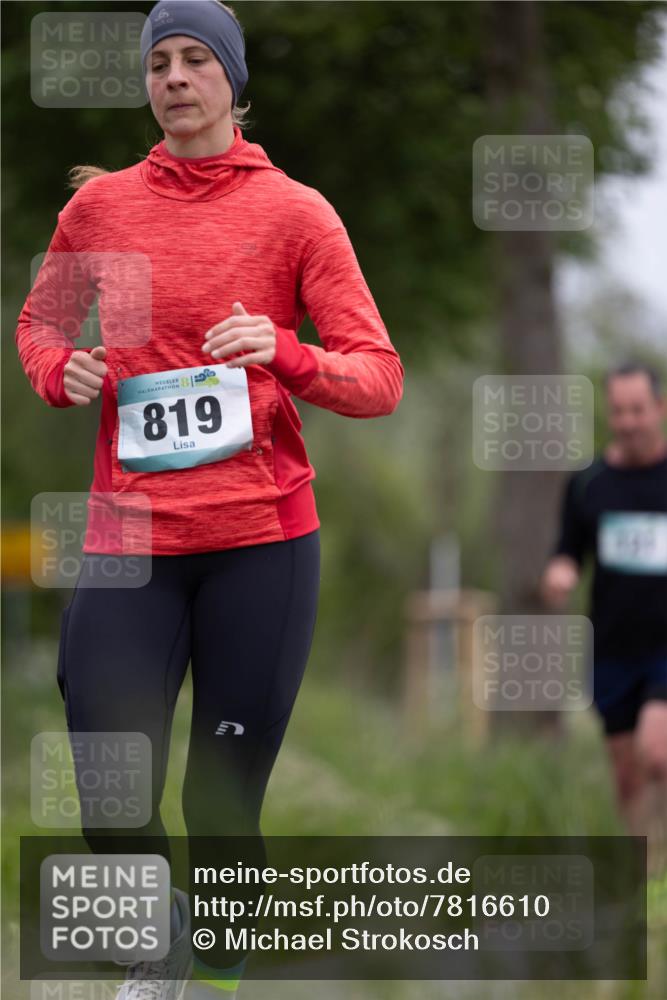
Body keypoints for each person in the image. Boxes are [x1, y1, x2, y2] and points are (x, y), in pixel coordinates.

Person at [15, 1, 404, 996]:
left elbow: (376, 375)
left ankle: (218, 967)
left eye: (196, 60)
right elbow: (39, 328)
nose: (175, 78)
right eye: (160, 63)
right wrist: (63, 369)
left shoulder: (297, 214)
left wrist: (283, 349)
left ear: (232, 80)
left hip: (260, 544)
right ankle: (160, 942)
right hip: (131, 537)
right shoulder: (99, 212)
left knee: (220, 804)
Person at [541, 362, 667, 871]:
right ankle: (650, 875)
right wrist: (561, 572)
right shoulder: (589, 482)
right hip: (613, 647)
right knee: (627, 775)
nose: (629, 421)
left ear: (659, 408)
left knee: (656, 751)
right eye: (619, 411)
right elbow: (568, 550)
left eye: (638, 410)